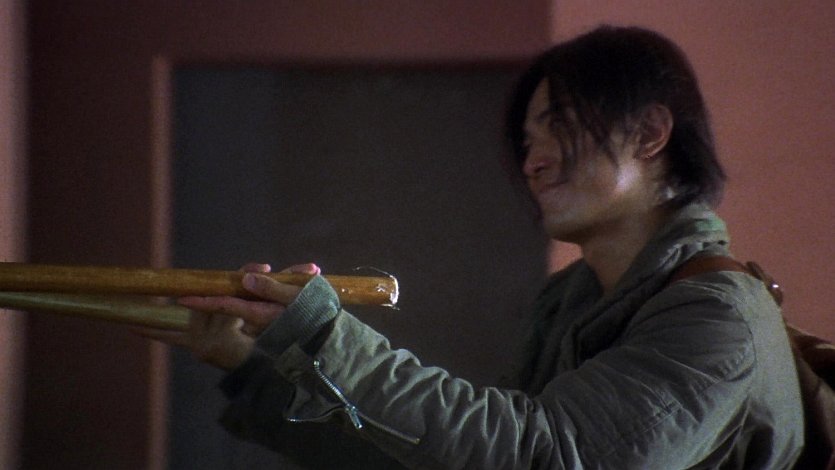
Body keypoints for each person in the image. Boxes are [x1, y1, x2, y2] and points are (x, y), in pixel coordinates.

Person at [139, 25, 804, 468]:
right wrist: (250, 361)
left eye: (560, 126)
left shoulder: (717, 318)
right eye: (527, 142)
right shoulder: (572, 302)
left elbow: (544, 456)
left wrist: (323, 338)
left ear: (651, 132)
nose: (533, 161)